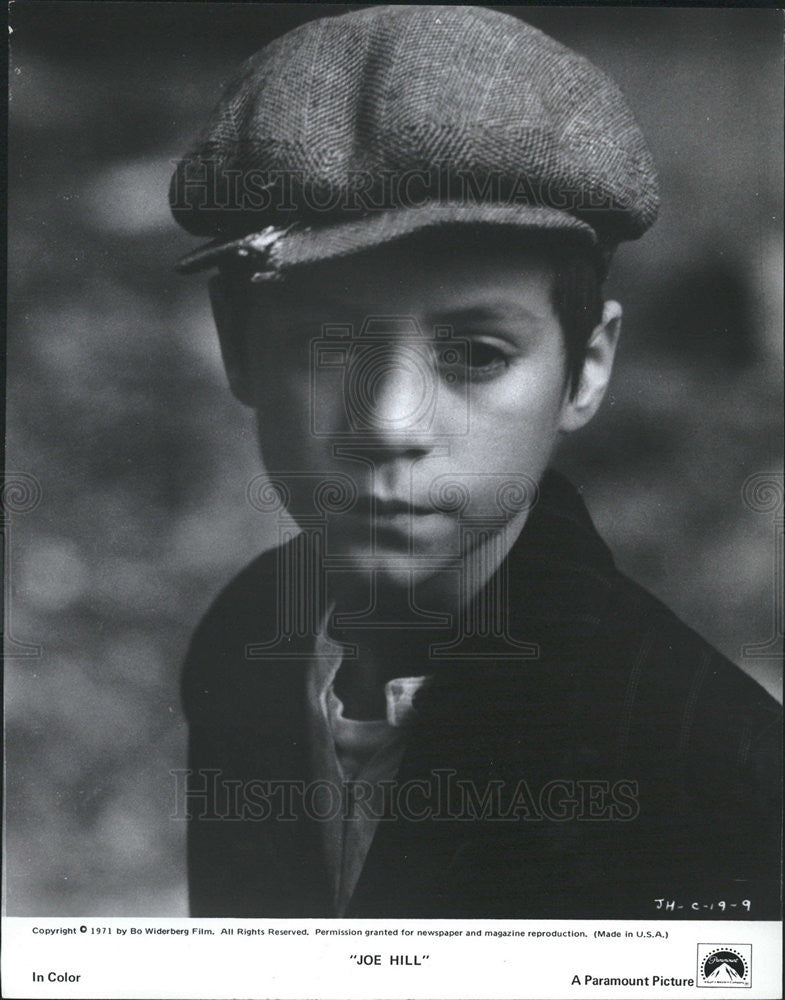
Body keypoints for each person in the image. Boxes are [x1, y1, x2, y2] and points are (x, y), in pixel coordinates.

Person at [169, 6, 781, 919]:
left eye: (475, 356)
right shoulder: (246, 637)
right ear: (239, 348)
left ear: (585, 370)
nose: (387, 425)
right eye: (330, 349)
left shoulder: (713, 759)